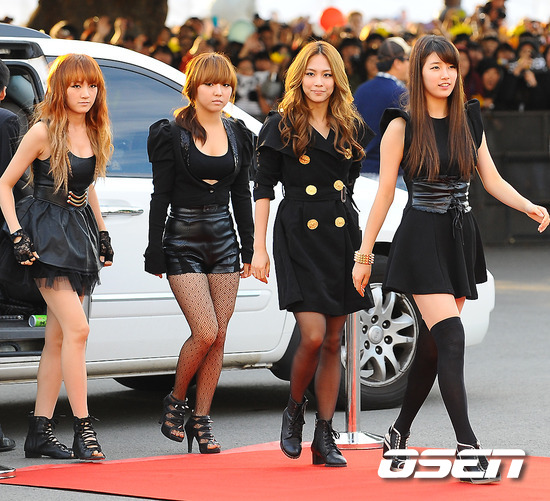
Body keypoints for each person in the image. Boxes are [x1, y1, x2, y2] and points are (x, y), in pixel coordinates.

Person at [352, 35, 549, 484]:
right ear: (418, 72)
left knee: (434, 346)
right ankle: (467, 446)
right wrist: (364, 255)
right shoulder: (401, 125)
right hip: (422, 237)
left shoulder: (469, 118)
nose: (445, 75)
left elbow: (491, 179)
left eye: (451, 67)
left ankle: (398, 432)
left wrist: (528, 206)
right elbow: (385, 195)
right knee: (452, 336)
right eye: (435, 67)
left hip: (460, 237)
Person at [251, 40, 374, 467]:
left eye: (326, 75)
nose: (318, 83)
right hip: (297, 233)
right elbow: (263, 189)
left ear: (337, 79)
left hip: (340, 235)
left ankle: (325, 433)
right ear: (298, 77)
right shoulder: (280, 125)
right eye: (310, 74)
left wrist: (362, 250)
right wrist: (259, 248)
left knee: (335, 340)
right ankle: (294, 409)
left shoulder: (350, 125)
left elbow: (350, 183)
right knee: (314, 335)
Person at [0, 53, 114, 461]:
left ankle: (39, 433)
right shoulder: (44, 131)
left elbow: (87, 185)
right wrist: (17, 234)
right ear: (60, 89)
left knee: (59, 337)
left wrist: (102, 231)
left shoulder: (94, 129)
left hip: (77, 234)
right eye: (76, 85)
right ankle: (84, 429)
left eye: (92, 85)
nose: (85, 93)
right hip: (43, 234)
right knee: (78, 330)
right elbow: (5, 183)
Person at [145, 52, 254, 454]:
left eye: (225, 84)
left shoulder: (238, 133)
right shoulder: (171, 133)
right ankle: (176, 401)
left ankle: (202, 419)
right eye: (210, 84)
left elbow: (241, 194)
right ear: (193, 87)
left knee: (220, 336)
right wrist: (154, 250)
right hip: (182, 238)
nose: (219, 91)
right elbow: (160, 196)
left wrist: (249, 247)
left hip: (224, 239)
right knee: (205, 330)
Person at [354, 37, 410, 183]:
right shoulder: (401, 94)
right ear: (397, 63)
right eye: (407, 59)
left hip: (362, 172)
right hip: (391, 174)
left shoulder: (361, 89)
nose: (409, 64)